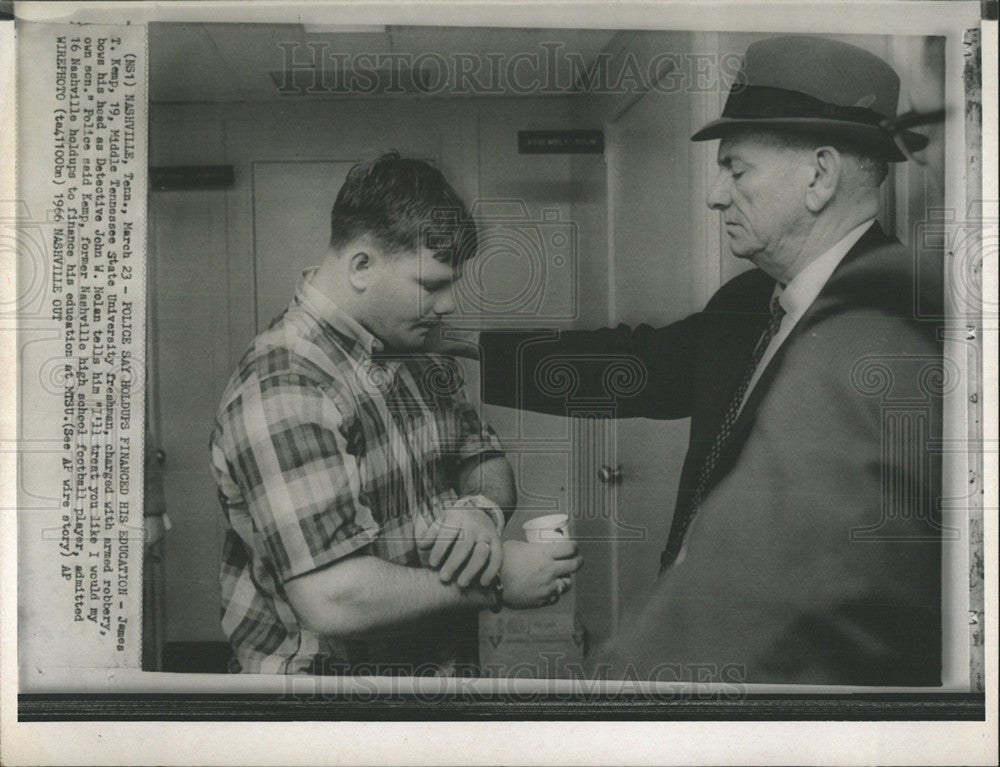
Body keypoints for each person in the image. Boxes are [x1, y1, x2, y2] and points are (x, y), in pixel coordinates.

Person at [431, 36, 944, 685]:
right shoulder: (749, 299)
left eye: (736, 168)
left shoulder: (894, 332)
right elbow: (636, 364)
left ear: (819, 176)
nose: (715, 195)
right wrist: (469, 351)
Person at [209, 153, 583, 676]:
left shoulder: (414, 345)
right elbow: (332, 598)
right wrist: (495, 582)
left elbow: (483, 455)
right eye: (432, 285)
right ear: (362, 266)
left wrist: (481, 510)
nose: (448, 306)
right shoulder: (286, 382)